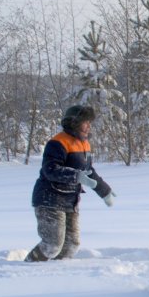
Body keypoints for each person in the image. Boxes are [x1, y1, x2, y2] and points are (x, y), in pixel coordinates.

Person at [25, 105, 116, 262]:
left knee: (71, 245)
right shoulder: (58, 142)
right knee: (52, 245)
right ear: (74, 122)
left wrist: (104, 191)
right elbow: (50, 169)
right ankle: (27, 267)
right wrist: (76, 176)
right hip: (49, 199)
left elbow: (89, 171)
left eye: (90, 122)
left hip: (70, 200)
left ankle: (55, 272)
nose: (89, 126)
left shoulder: (84, 144)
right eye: (85, 122)